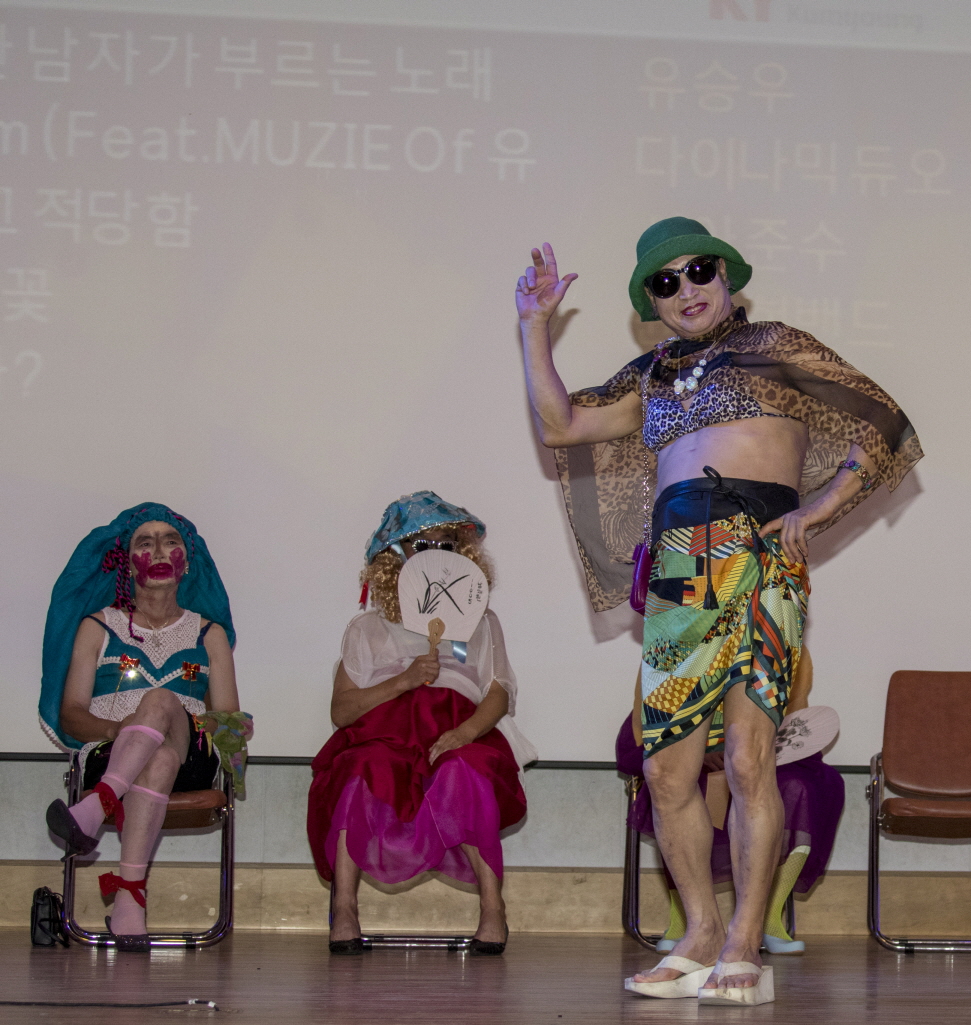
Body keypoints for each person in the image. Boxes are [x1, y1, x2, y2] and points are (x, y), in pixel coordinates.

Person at [518, 218, 921, 1004]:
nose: (687, 289)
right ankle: (699, 932)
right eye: (665, 282)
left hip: (761, 560)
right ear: (653, 303)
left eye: (698, 270)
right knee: (665, 768)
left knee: (745, 758)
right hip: (679, 572)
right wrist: (534, 326)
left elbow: (883, 420)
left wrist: (822, 507)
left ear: (725, 275)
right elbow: (561, 424)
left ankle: (743, 941)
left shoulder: (775, 343)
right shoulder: (651, 377)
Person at [306, 492, 534, 955]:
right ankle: (344, 907)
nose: (434, 554)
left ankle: (493, 908)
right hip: (385, 732)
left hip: (460, 727)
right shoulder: (366, 628)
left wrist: (465, 732)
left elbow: (498, 691)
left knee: (466, 771)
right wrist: (404, 681)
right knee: (360, 768)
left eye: (445, 544)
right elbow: (342, 712)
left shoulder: (481, 623)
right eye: (421, 545)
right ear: (396, 556)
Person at [41, 503, 239, 952]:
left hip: (191, 758)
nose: (159, 551)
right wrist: (121, 731)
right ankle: (130, 901)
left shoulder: (210, 634)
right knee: (158, 758)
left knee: (162, 701)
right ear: (126, 562)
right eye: (145, 543)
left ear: (187, 561)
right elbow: (71, 714)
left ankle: (97, 805)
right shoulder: (97, 626)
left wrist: (170, 717)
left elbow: (228, 718)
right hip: (110, 753)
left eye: (171, 541)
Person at [615, 650, 845, 955]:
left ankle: (767, 921)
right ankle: (686, 922)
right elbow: (634, 748)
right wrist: (698, 752)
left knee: (807, 786)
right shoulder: (679, 651)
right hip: (691, 760)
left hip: (762, 763)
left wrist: (754, 754)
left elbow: (802, 744)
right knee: (671, 783)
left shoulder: (773, 652)